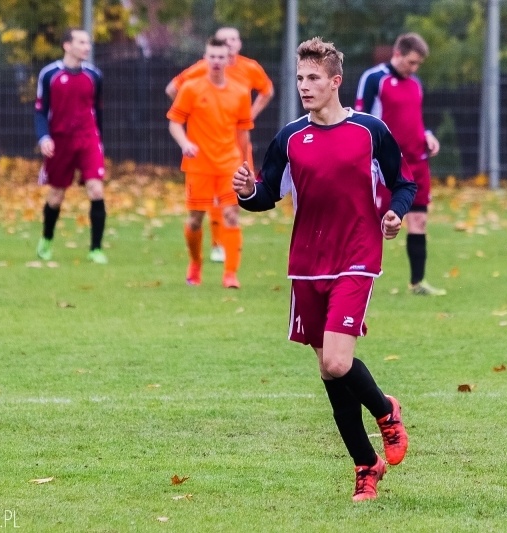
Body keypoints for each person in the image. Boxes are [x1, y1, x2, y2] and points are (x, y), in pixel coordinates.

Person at [233, 37, 414, 501]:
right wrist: (244, 192)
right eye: (299, 78)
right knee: (329, 373)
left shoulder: (370, 131)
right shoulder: (290, 138)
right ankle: (366, 466)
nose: (305, 86)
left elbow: (402, 182)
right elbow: (266, 195)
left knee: (338, 360)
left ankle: (386, 411)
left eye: (314, 78)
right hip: (307, 264)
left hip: (357, 255)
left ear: (335, 82)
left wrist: (395, 213)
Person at [166, 27, 274, 264]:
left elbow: (267, 91)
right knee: (204, 208)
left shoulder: (249, 68)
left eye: (234, 38)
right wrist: (196, 111)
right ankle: (214, 246)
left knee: (232, 202)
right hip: (204, 147)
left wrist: (250, 115)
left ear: (237, 45)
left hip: (234, 143)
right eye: (226, 39)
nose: (230, 43)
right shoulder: (200, 74)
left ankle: (229, 266)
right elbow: (173, 90)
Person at [355, 32, 446, 296]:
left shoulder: (415, 83)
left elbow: (415, 119)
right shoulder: (374, 79)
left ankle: (417, 282)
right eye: (411, 62)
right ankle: (361, 276)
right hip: (387, 165)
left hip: (418, 163)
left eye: (418, 64)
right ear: (397, 54)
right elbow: (361, 120)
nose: (414, 69)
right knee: (375, 221)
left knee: (419, 220)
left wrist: (427, 135)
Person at [34, 28, 108, 264]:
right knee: (56, 195)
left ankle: (95, 249)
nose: (87, 47)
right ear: (67, 45)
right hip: (60, 141)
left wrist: (99, 141)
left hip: (88, 139)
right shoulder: (49, 75)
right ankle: (46, 239)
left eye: (88, 42)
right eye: (82, 42)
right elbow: (40, 111)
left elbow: (98, 111)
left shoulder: (94, 76)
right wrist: (44, 137)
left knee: (96, 190)